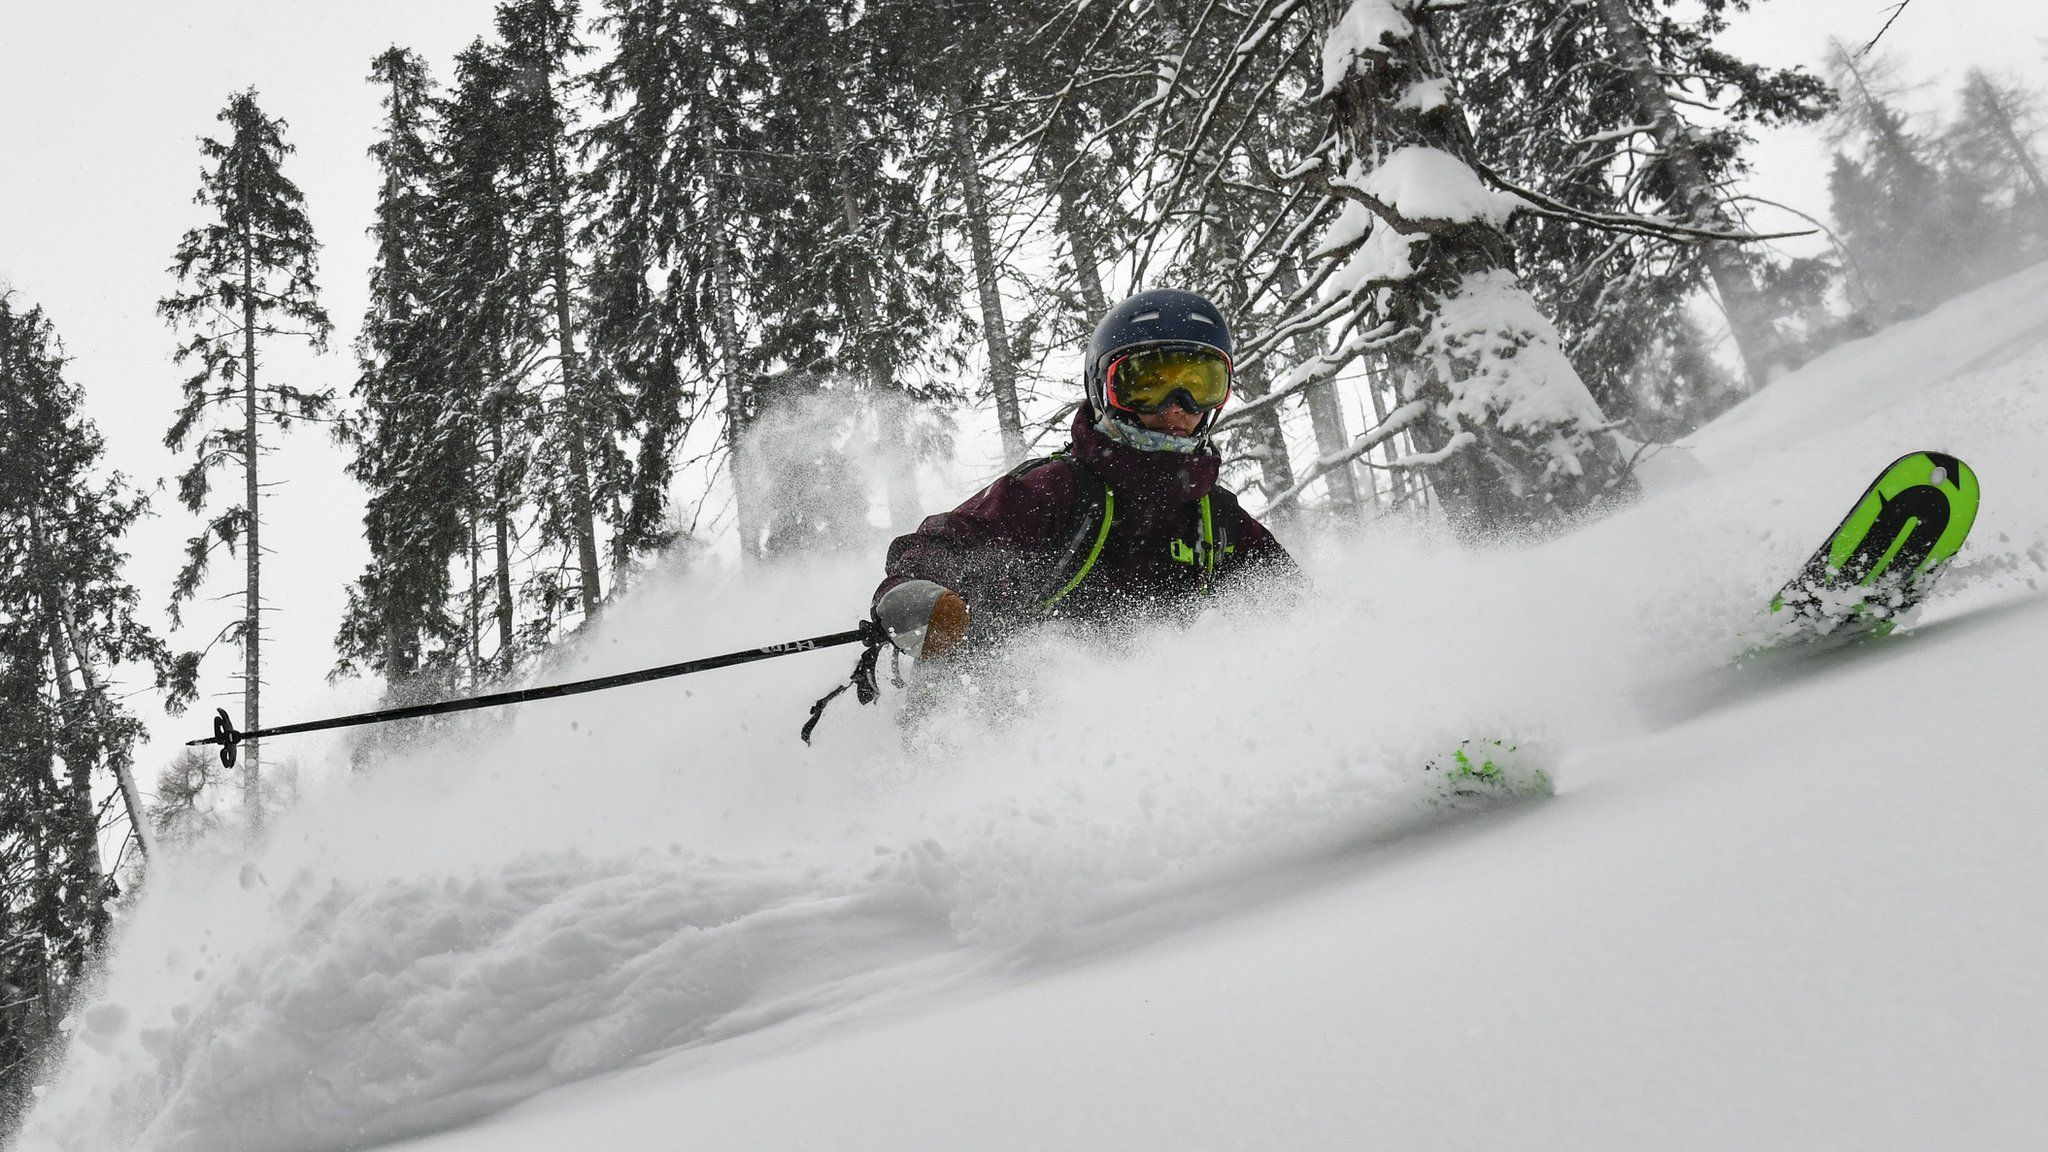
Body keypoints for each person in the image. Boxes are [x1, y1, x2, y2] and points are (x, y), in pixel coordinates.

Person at [872, 288, 1298, 660]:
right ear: (1103, 389)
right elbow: (945, 544)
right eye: (1148, 383)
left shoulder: (1215, 519)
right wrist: (917, 594)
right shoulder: (1056, 491)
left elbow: (1298, 610)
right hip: (1015, 715)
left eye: (1199, 384)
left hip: (1161, 727)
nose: (1175, 406)